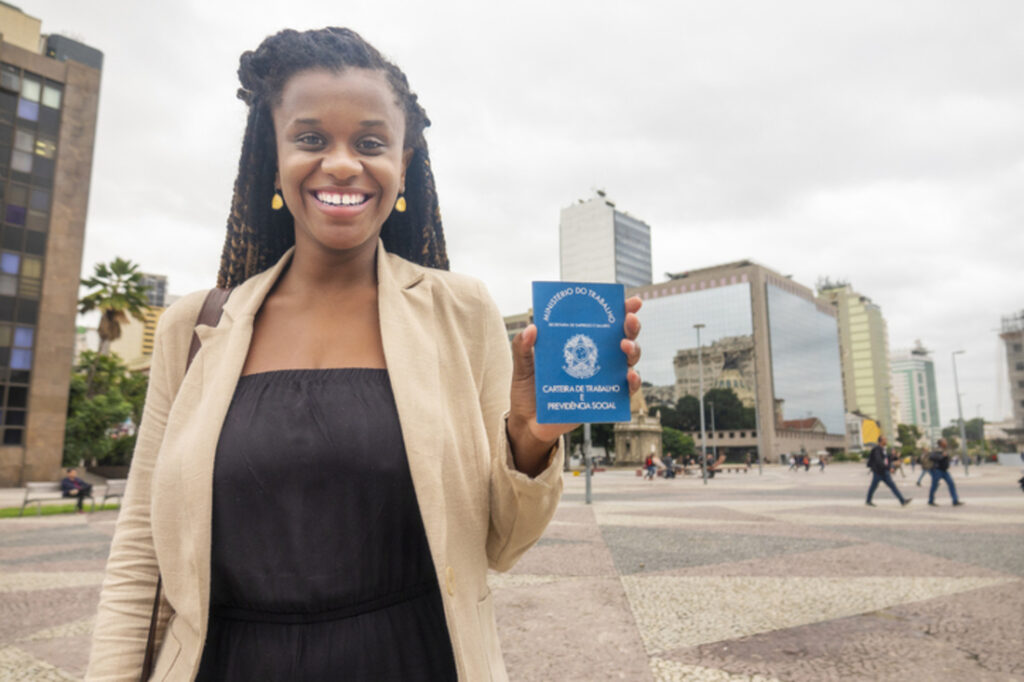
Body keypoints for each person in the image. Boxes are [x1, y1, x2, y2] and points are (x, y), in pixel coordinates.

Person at [85, 28, 643, 682]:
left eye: (371, 142)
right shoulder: (193, 327)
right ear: (274, 159)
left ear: (403, 166)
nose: (344, 162)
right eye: (312, 138)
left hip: (416, 661)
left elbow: (501, 545)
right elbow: (138, 563)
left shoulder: (462, 313)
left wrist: (530, 436)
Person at [865, 436, 912, 507]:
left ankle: (902, 501)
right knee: (873, 487)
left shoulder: (883, 449)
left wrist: (895, 457)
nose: (886, 441)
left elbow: (887, 459)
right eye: (885, 440)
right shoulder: (877, 449)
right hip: (878, 472)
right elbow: (879, 461)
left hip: (884, 472)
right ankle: (868, 501)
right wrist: (888, 468)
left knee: (893, 486)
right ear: (881, 441)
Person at [928, 438, 964, 507]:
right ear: (941, 443)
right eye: (945, 441)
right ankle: (931, 500)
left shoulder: (945, 450)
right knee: (934, 486)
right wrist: (942, 456)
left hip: (944, 471)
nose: (946, 442)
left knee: (951, 484)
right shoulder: (936, 450)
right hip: (937, 470)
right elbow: (932, 457)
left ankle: (955, 500)